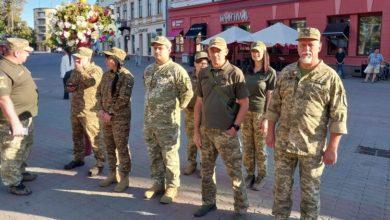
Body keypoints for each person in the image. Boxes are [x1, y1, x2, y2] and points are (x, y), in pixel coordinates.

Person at [263, 27, 348, 219]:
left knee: (310, 196)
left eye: (311, 44)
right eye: (302, 44)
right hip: (284, 146)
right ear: (298, 47)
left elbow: (339, 116)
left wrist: (333, 148)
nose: (306, 48)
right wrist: (270, 133)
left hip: (313, 148)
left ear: (319, 46)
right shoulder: (286, 72)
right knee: (281, 190)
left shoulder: (330, 77)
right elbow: (274, 105)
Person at [193, 37, 249, 220]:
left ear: (226, 52)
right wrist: (196, 131)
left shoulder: (235, 73)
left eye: (218, 50)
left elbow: (244, 104)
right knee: (206, 171)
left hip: (227, 133)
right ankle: (208, 202)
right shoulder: (203, 73)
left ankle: (240, 209)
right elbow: (199, 103)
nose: (215, 54)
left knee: (235, 173)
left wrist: (235, 127)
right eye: (212, 51)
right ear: (208, 53)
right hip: (206, 132)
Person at [143, 36, 193, 204]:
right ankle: (158, 183)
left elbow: (187, 92)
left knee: (169, 155)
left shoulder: (176, 70)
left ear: (169, 50)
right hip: (150, 122)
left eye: (161, 48)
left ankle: (172, 186)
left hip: (167, 124)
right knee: (154, 154)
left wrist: (178, 108)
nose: (157, 51)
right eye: (155, 48)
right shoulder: (148, 69)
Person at [0, 38, 38, 195]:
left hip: (26, 117)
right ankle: (13, 182)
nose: (28, 54)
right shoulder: (3, 69)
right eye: (26, 51)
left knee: (25, 146)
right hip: (12, 121)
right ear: (16, 52)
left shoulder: (17, 65)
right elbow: (3, 98)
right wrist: (14, 122)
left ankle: (20, 171)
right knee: (11, 151)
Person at [64, 47, 105, 176]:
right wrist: (70, 87)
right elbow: (69, 84)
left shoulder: (96, 70)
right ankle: (78, 159)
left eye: (79, 59)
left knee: (94, 138)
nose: (77, 61)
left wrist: (81, 70)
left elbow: (91, 82)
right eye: (76, 58)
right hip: (75, 109)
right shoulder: (76, 71)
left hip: (90, 111)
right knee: (76, 136)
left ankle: (100, 163)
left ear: (88, 58)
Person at [98, 47, 134, 192]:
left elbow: (123, 99)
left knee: (121, 148)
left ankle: (124, 178)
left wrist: (110, 113)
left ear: (118, 61)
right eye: (106, 58)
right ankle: (112, 173)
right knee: (109, 146)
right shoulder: (106, 75)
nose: (107, 61)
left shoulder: (127, 76)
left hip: (120, 118)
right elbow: (99, 93)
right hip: (105, 117)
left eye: (110, 58)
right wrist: (100, 109)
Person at [241, 41, 276, 191]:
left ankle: (261, 176)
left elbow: (271, 96)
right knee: (247, 146)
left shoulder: (270, 72)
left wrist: (267, 118)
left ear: (264, 53)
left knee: (260, 147)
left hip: (260, 114)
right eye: (253, 51)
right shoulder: (247, 71)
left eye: (258, 51)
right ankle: (249, 174)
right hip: (246, 113)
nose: (256, 54)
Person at [183, 51, 209, 176]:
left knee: (204, 140)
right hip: (190, 113)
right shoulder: (187, 77)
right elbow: (180, 91)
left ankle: (204, 165)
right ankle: (191, 163)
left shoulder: (211, 77)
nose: (203, 64)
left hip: (205, 114)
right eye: (200, 62)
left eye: (205, 62)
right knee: (191, 140)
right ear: (195, 64)